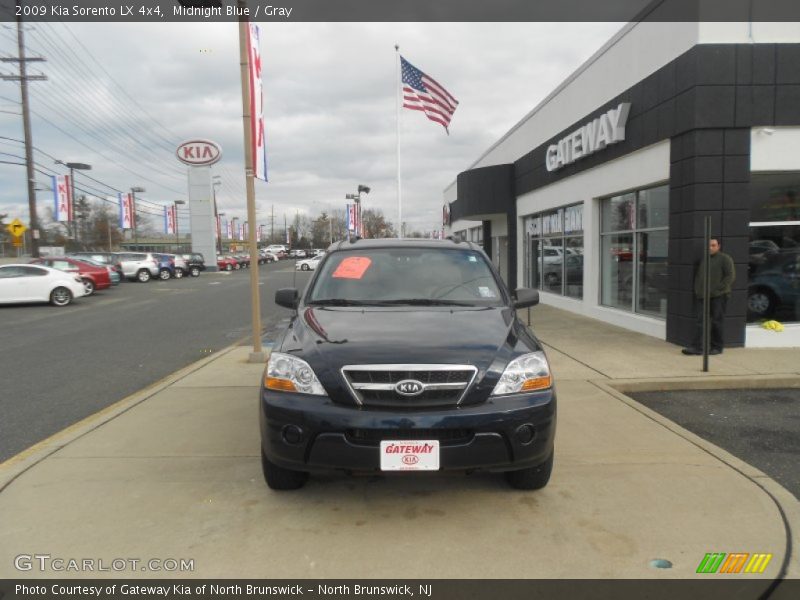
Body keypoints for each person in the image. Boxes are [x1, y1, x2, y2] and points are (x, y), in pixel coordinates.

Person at [682, 238, 735, 355]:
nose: (710, 248)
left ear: (719, 246)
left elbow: (730, 277)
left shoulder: (725, 259)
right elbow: (699, 276)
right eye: (709, 245)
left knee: (716, 321)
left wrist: (716, 290)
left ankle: (716, 347)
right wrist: (698, 290)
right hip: (703, 296)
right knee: (701, 321)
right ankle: (697, 347)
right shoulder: (704, 259)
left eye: (713, 245)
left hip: (719, 296)